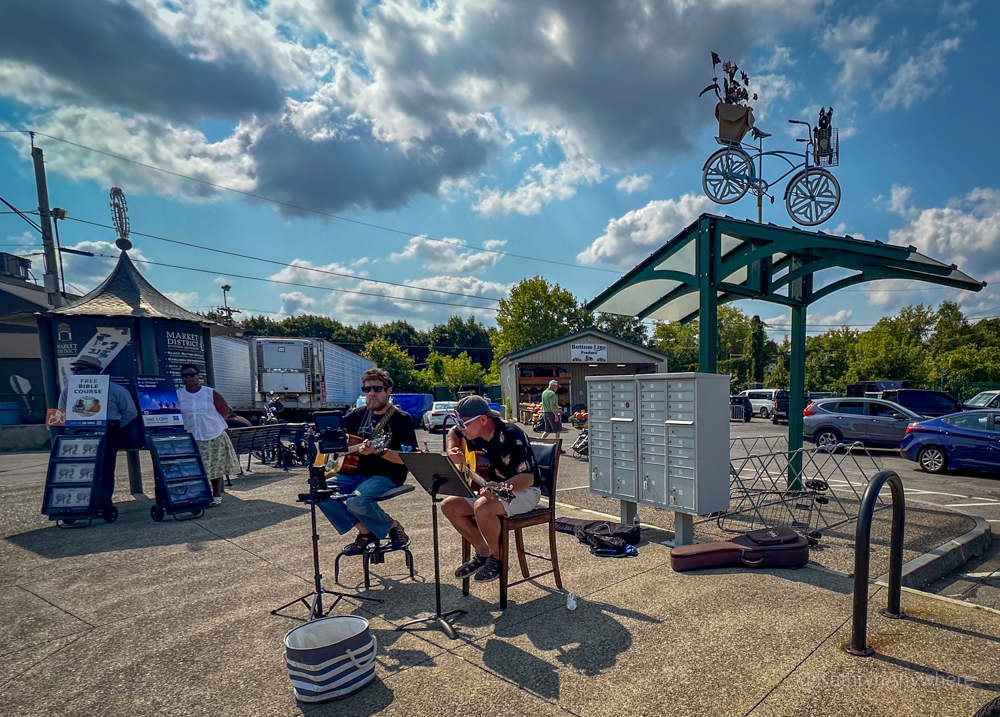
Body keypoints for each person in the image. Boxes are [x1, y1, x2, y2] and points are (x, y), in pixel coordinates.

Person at [442, 395, 541, 583]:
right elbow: (453, 433)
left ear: (483, 419)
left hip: (524, 491)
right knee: (449, 505)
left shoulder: (512, 435)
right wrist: (451, 448)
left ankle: (497, 559)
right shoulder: (472, 431)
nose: (462, 428)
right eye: (460, 423)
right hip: (492, 491)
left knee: (483, 506)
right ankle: (483, 551)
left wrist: (502, 487)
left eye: (465, 423)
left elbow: (529, 478)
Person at [318, 367, 415, 554]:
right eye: (367, 389)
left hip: (386, 475)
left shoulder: (401, 419)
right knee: (319, 492)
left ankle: (393, 526)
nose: (371, 394)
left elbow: (405, 459)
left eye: (377, 389)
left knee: (356, 501)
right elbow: (332, 437)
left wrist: (379, 452)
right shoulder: (356, 415)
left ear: (388, 391)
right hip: (352, 473)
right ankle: (365, 532)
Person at [57, 354, 140, 502]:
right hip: (78, 430)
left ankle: (103, 501)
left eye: (80, 369)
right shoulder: (69, 390)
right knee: (78, 468)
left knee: (105, 468)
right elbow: (62, 411)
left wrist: (115, 426)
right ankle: (78, 501)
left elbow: (130, 411)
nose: (76, 372)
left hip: (107, 429)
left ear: (94, 371)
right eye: (74, 369)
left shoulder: (115, 389)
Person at [175, 364, 241, 507]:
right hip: (190, 436)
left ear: (198, 375)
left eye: (191, 374)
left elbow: (225, 411)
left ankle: (216, 495)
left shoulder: (210, 393)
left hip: (212, 434)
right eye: (185, 375)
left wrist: (212, 423)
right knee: (192, 467)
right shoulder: (179, 394)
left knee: (214, 466)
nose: (189, 378)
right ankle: (196, 494)